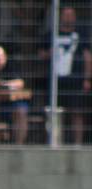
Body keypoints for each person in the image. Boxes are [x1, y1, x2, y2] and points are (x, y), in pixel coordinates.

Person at [39, 6, 92, 145]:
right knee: (54, 112)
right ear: (60, 16)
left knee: (77, 112)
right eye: (65, 15)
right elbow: (41, 54)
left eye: (71, 15)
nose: (68, 18)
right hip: (56, 81)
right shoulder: (53, 34)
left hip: (76, 80)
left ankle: (77, 143)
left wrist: (87, 78)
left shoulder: (80, 35)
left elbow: (88, 57)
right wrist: (52, 52)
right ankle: (53, 142)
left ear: (75, 17)